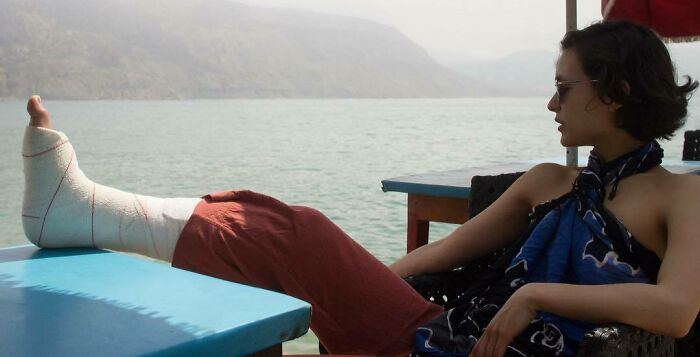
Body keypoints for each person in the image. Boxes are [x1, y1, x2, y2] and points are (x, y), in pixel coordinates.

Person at [20, 21, 700, 357]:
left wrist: (536, 295)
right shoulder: (548, 181)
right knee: (281, 237)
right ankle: (83, 213)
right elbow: (438, 255)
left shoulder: (680, 198)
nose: (550, 103)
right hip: (437, 333)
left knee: (296, 232)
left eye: (563, 87)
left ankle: (84, 212)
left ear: (616, 93)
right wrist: (347, 294)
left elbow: (677, 310)